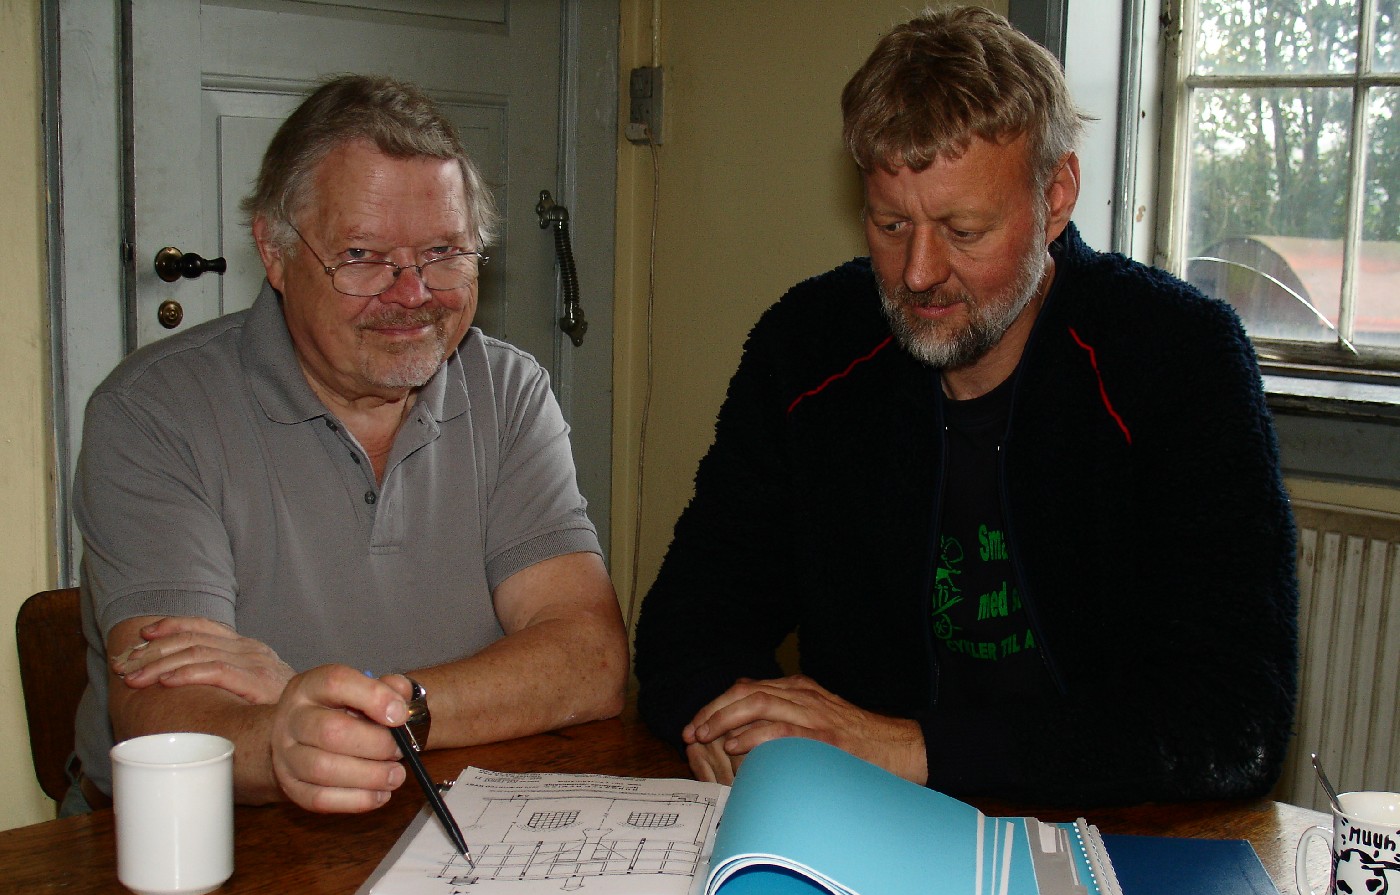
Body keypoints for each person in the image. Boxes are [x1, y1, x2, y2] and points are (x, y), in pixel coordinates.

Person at [634, 7, 1297, 806]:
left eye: (963, 229)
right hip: (866, 826)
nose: (918, 273)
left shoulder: (1179, 361)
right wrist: (740, 727)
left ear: (1055, 199)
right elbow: (684, 627)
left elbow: (1231, 723)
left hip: (1113, 836)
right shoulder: (807, 349)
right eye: (890, 225)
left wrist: (906, 748)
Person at [68, 75, 626, 816]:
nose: (412, 294)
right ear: (274, 250)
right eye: (362, 255)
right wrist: (284, 739)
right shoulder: (155, 412)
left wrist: (354, 703)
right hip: (195, 844)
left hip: (450, 819)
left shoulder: (508, 392)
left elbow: (589, 662)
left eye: (444, 252)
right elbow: (170, 722)